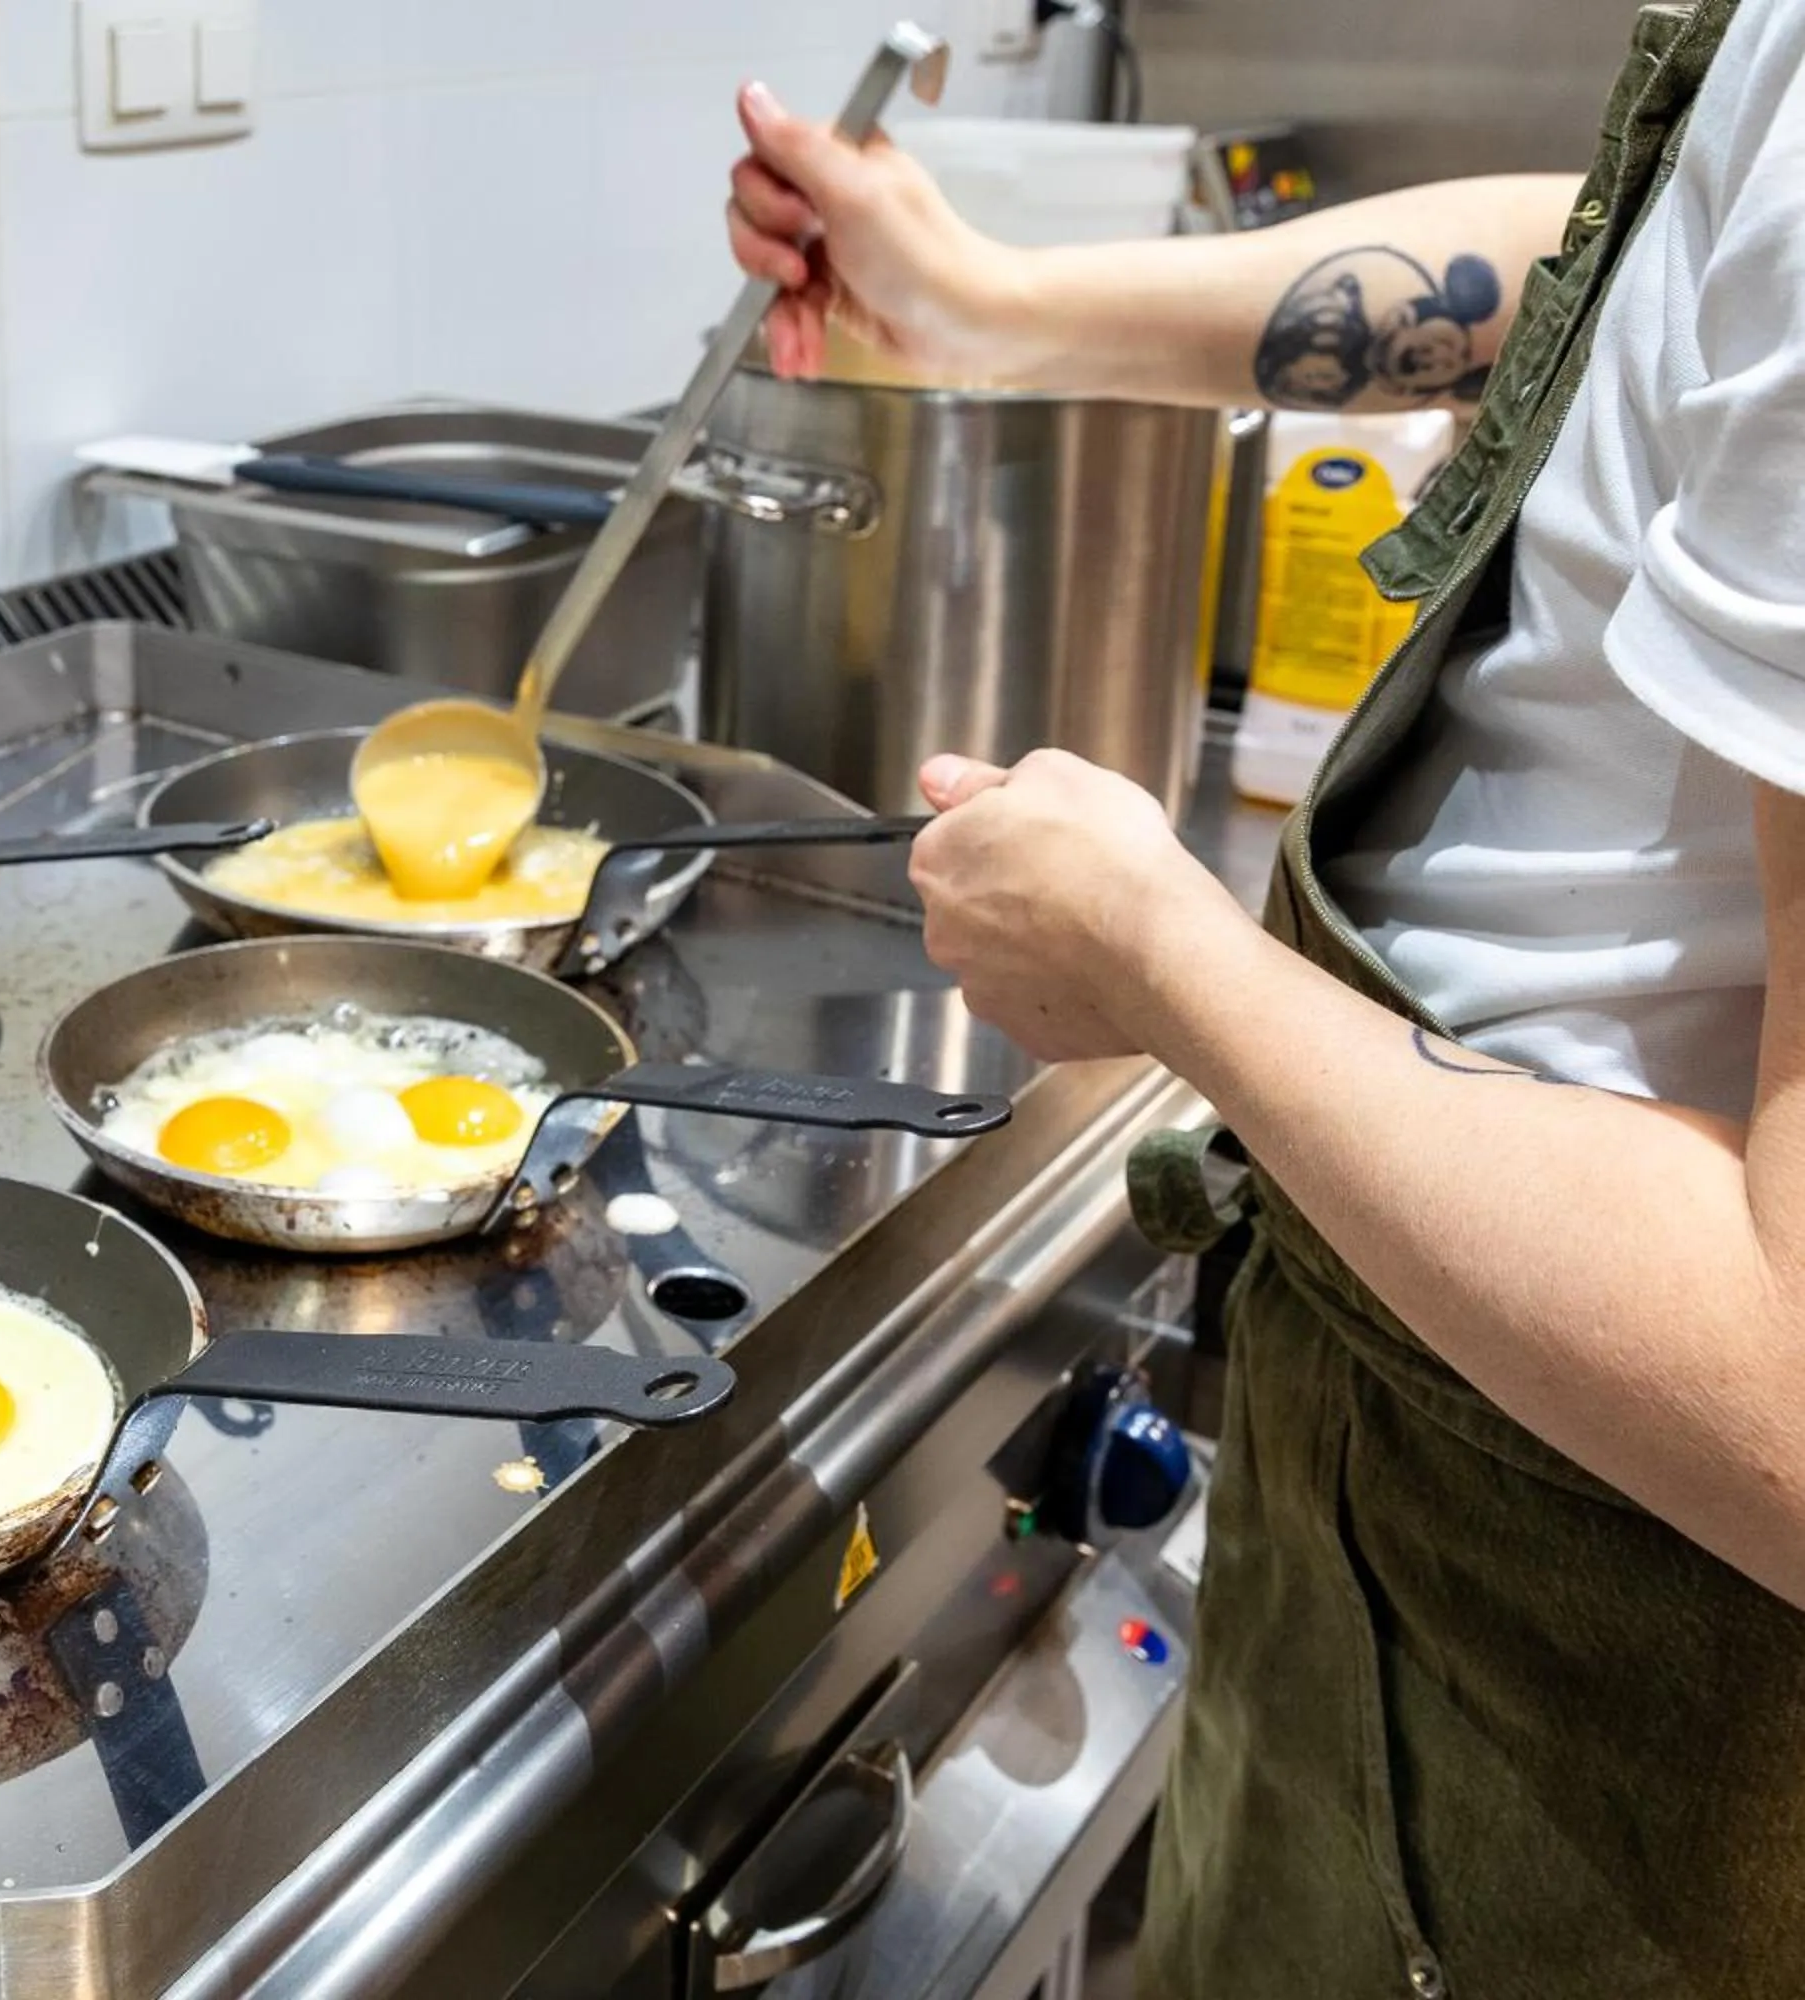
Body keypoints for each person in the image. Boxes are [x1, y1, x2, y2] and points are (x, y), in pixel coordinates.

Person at [728, 3, 1805, 1995]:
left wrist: (1169, 965)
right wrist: (986, 304)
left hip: (1621, 1603)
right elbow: (1637, 265)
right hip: (1435, 1423)